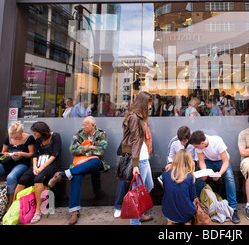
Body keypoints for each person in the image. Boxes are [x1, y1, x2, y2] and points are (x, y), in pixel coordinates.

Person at [48, 116, 109, 225]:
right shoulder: (79, 134)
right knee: (76, 176)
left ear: (93, 125)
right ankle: (74, 211)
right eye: (82, 125)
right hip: (80, 163)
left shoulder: (101, 134)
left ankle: (63, 174)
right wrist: (90, 148)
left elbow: (100, 151)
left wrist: (81, 149)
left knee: (96, 161)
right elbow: (72, 150)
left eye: (85, 125)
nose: (83, 127)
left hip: (94, 163)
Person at [114, 91, 154, 224]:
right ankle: (135, 221)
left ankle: (139, 213)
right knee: (136, 190)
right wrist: (135, 164)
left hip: (143, 157)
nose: (150, 107)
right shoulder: (134, 117)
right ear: (144, 103)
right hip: (138, 159)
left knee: (148, 185)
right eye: (149, 104)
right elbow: (136, 141)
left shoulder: (138, 117)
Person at [14, 121, 62, 224]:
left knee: (38, 179)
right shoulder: (38, 140)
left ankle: (38, 210)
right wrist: (35, 167)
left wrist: (41, 168)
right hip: (38, 164)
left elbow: (55, 154)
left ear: (41, 131)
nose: (34, 134)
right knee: (23, 179)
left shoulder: (56, 136)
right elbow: (35, 155)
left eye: (35, 132)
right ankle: (14, 207)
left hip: (51, 164)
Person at [189, 130, 240, 224]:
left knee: (229, 177)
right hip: (208, 161)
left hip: (221, 161)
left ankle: (233, 208)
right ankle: (197, 206)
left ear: (202, 143)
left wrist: (219, 173)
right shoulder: (199, 145)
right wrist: (204, 172)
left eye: (196, 146)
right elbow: (201, 162)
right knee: (199, 178)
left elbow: (225, 162)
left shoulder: (217, 142)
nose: (195, 148)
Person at [162, 150, 197, 225]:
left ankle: (170, 222)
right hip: (186, 213)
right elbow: (192, 196)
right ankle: (187, 222)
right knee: (191, 203)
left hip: (168, 211)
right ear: (189, 161)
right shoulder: (190, 177)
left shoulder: (165, 174)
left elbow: (166, 190)